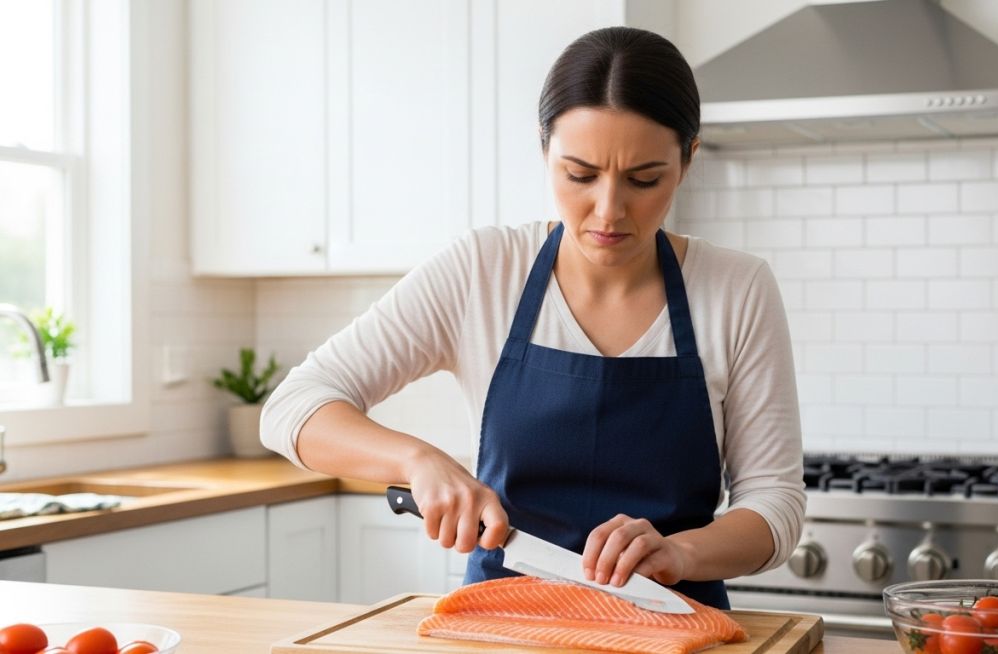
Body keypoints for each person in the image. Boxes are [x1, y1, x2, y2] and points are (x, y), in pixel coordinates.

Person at [261, 26, 805, 610]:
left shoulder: (737, 288)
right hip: (502, 628)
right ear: (545, 150)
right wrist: (418, 461)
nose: (609, 210)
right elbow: (293, 408)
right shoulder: (483, 270)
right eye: (580, 175)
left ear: (687, 160)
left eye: (645, 180)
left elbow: (775, 503)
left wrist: (684, 554)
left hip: (681, 630)